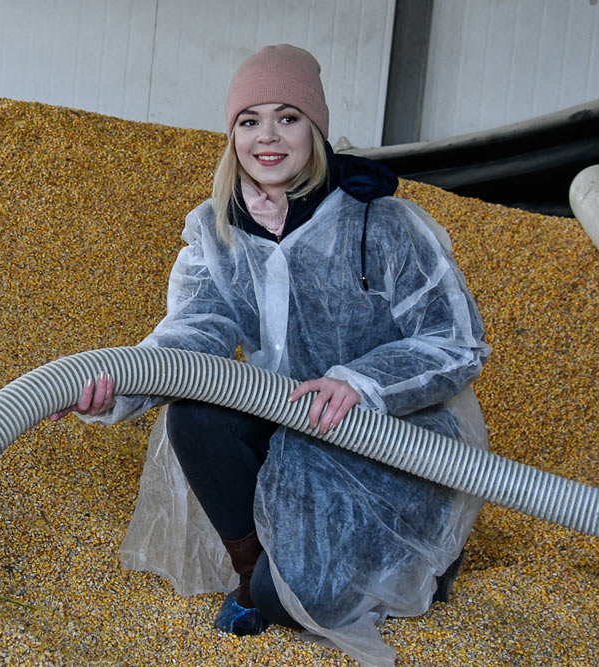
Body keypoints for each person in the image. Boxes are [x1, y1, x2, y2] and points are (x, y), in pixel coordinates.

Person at [50, 44, 490, 665]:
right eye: (249, 121)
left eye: (288, 117)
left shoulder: (384, 223)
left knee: (314, 601)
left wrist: (359, 383)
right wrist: (115, 384)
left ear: (316, 129)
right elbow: (192, 336)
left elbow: (455, 340)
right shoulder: (217, 228)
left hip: (388, 437)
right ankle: (252, 574)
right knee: (196, 414)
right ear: (232, 136)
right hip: (286, 419)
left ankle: (419, 550)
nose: (268, 137)